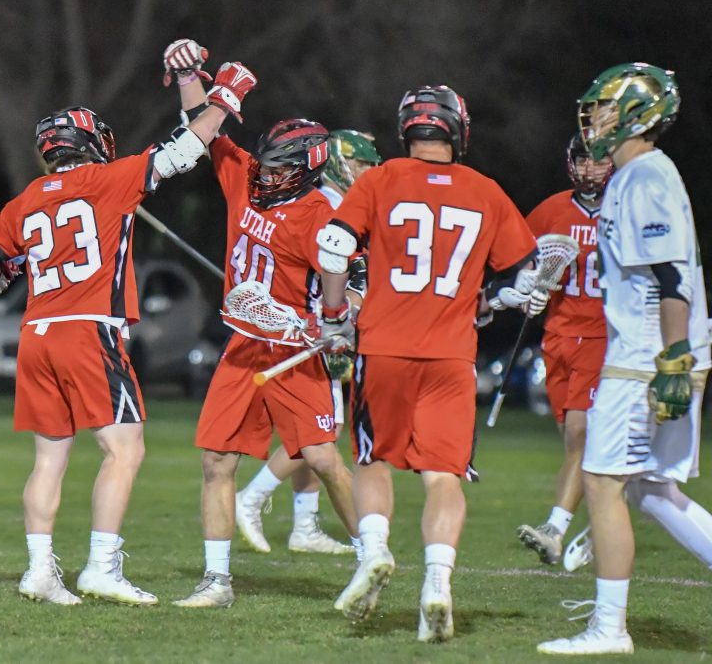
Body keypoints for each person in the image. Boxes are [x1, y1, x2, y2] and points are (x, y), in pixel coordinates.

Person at [0, 57, 255, 606]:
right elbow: (188, 148)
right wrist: (226, 97)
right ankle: (101, 566)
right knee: (125, 450)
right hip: (88, 330)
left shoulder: (25, 200)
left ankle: (39, 571)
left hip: (37, 334)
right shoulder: (107, 179)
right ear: (92, 143)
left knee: (50, 458)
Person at [317, 86, 543, 642]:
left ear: (407, 130)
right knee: (444, 476)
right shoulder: (486, 191)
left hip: (386, 345)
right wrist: (491, 303)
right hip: (451, 354)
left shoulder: (379, 178)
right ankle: (437, 582)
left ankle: (372, 552)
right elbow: (525, 276)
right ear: (456, 131)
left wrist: (332, 316)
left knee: (373, 461)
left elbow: (332, 247)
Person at [162, 40, 359, 609]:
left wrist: (334, 321)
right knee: (215, 462)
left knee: (322, 459)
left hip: (294, 350)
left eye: (281, 168)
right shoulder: (245, 177)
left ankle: (372, 552)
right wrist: (188, 76)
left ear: (309, 170)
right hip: (245, 345)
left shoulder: (325, 214)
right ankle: (217, 581)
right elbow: (205, 128)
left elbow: (345, 282)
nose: (267, 175)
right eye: (267, 163)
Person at [538, 63, 712, 656]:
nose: (597, 120)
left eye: (607, 108)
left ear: (640, 114)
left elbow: (671, 278)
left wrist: (673, 360)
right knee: (651, 491)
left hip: (645, 355)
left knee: (601, 481)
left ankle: (609, 629)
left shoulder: (644, 178)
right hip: (652, 351)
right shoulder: (635, 174)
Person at [235, 130, 381, 557]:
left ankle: (304, 523)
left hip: (310, 328)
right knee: (321, 437)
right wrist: (345, 313)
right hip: (313, 332)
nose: (368, 174)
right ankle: (255, 496)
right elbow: (350, 272)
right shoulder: (329, 207)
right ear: (337, 162)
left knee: (319, 436)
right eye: (362, 165)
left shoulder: (320, 201)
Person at [515, 134, 612, 570]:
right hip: (557, 339)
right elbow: (516, 260)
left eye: (599, 160)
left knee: (580, 436)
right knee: (578, 447)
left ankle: (555, 530)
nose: (590, 169)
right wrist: (527, 294)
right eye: (583, 161)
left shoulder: (624, 208)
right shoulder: (551, 210)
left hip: (602, 338)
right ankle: (607, 517)